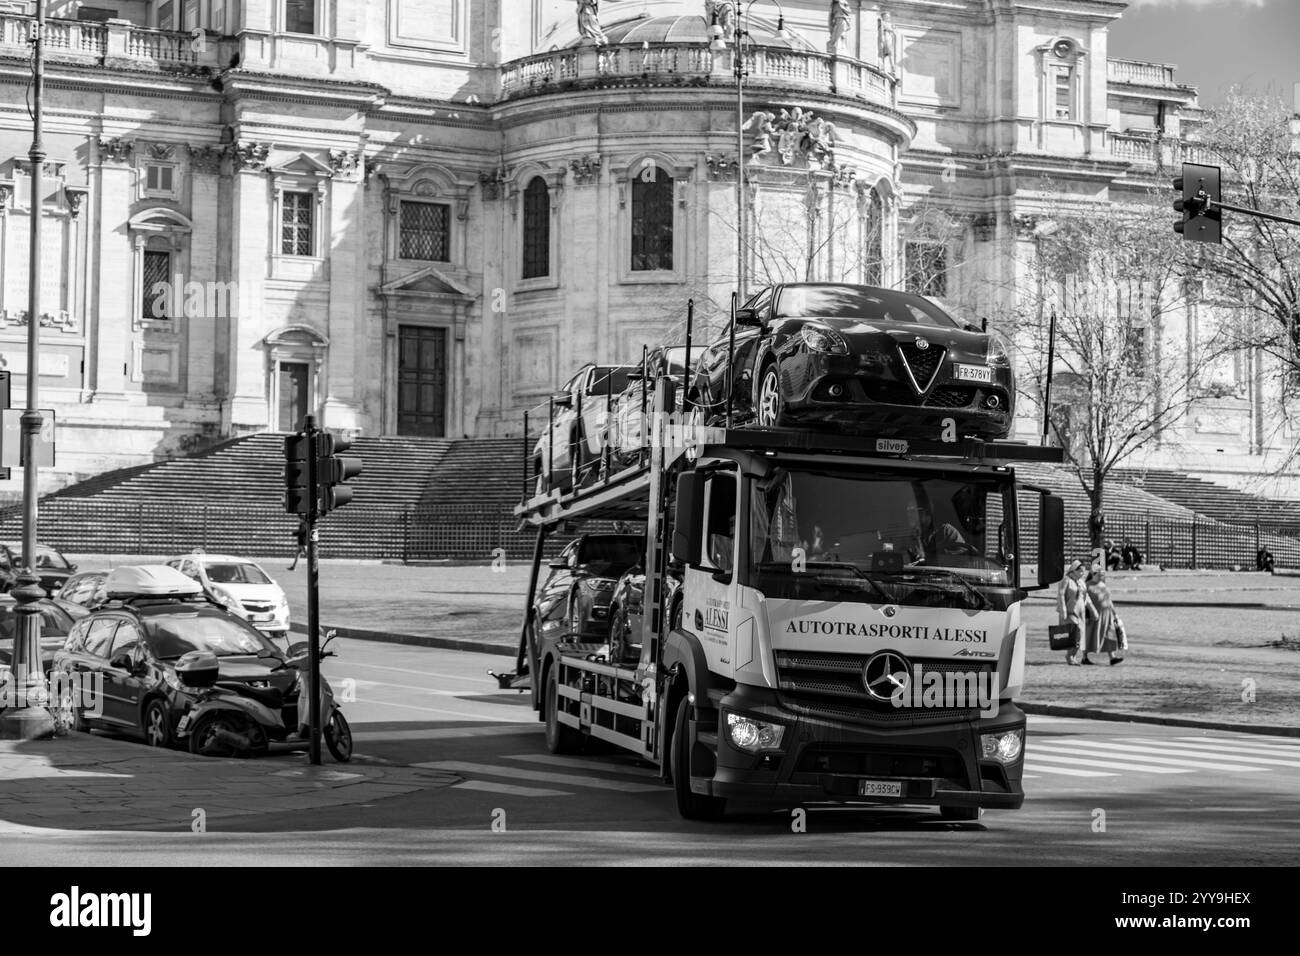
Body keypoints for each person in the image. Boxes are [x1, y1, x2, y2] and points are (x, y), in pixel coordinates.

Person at [1084, 567, 1124, 665]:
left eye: (1103, 575)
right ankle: (1084, 657)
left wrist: (1115, 614)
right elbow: (1084, 602)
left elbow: (1109, 601)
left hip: (1107, 616)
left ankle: (1112, 658)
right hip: (1095, 616)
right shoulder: (1087, 586)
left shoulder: (1103, 585)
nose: (1102, 576)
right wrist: (1086, 616)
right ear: (1094, 574)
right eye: (1100, 574)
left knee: (1109, 635)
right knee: (1090, 636)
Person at [1057, 560, 1087, 665]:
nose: (1083, 574)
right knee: (1073, 634)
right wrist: (1063, 610)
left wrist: (1091, 610)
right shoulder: (1066, 580)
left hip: (1081, 613)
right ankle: (1069, 656)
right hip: (1070, 612)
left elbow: (1085, 597)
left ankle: (1073, 655)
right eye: (1081, 571)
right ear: (1074, 571)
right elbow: (1061, 594)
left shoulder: (1081, 582)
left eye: (1084, 572)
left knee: (1080, 635)